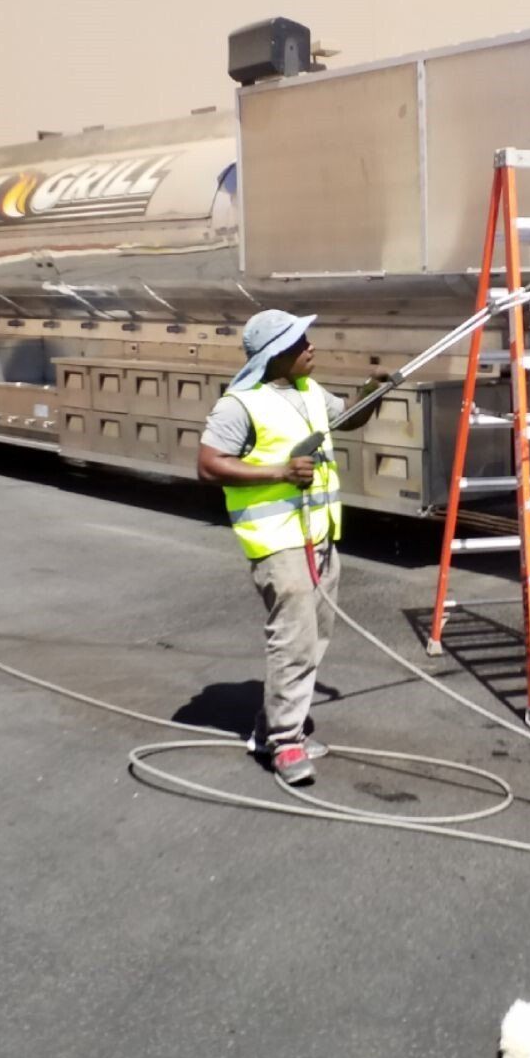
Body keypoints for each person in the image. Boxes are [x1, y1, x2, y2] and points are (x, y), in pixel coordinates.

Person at [196, 308, 387, 786]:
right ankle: (285, 743)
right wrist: (280, 471)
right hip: (279, 543)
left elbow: (344, 420)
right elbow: (208, 465)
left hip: (317, 536)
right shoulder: (239, 404)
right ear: (274, 354)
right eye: (300, 342)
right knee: (293, 641)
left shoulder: (307, 390)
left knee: (314, 638)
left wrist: (371, 395)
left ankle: (273, 728)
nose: (311, 347)